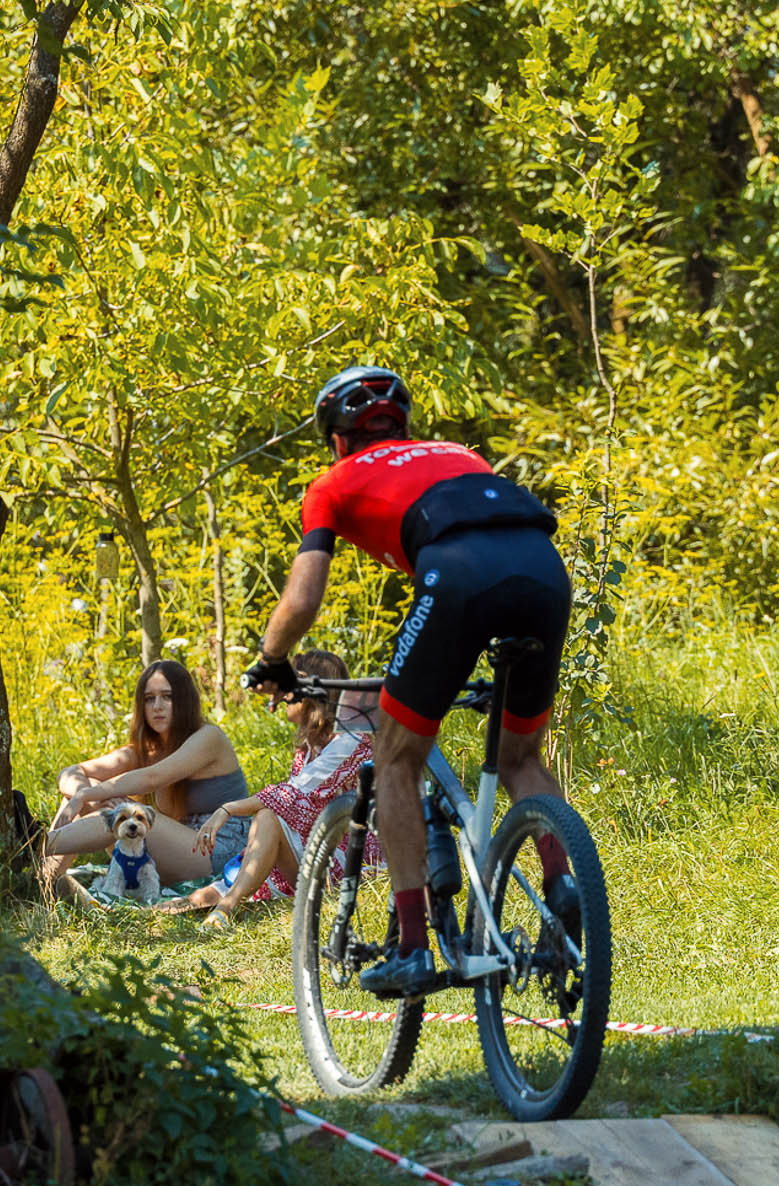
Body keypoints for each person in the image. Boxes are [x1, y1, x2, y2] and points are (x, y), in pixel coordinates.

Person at [243, 366, 576, 997]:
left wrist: (272, 659)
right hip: (544, 571)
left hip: (457, 576)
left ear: (336, 438)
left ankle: (414, 948)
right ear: (403, 425)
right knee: (520, 757)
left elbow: (303, 599)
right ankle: (565, 883)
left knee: (396, 760)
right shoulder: (459, 455)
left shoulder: (332, 483)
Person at [183, 648, 370, 928]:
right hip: (320, 850)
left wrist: (227, 809)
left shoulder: (349, 741)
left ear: (309, 693)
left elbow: (288, 797)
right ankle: (212, 903)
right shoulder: (312, 746)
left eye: (288, 687)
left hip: (354, 861)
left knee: (268, 815)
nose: (283, 696)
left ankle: (227, 907)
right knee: (200, 896)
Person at [37, 659, 250, 903]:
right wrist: (81, 795)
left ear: (184, 701)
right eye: (149, 699)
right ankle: (43, 881)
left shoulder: (208, 737)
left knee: (118, 809)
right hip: (177, 850)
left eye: (167, 697)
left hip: (217, 850)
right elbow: (71, 772)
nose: (157, 706)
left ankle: (33, 846)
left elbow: (152, 778)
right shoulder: (148, 749)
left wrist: (87, 796)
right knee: (98, 795)